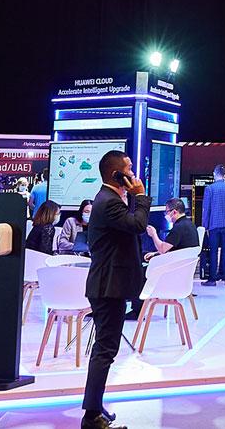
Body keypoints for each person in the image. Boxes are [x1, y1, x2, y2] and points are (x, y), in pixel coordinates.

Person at [81, 150, 149, 429]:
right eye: (129, 169)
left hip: (110, 285)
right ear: (115, 174)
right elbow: (138, 225)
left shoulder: (109, 198)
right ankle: (91, 416)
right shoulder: (108, 201)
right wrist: (140, 196)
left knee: (105, 348)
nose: (133, 174)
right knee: (105, 350)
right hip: (107, 286)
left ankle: (95, 408)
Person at [200, 164, 225, 286]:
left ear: (214, 174)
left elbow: (206, 209)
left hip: (213, 224)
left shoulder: (209, 189)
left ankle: (212, 279)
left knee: (213, 252)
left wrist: (205, 225)